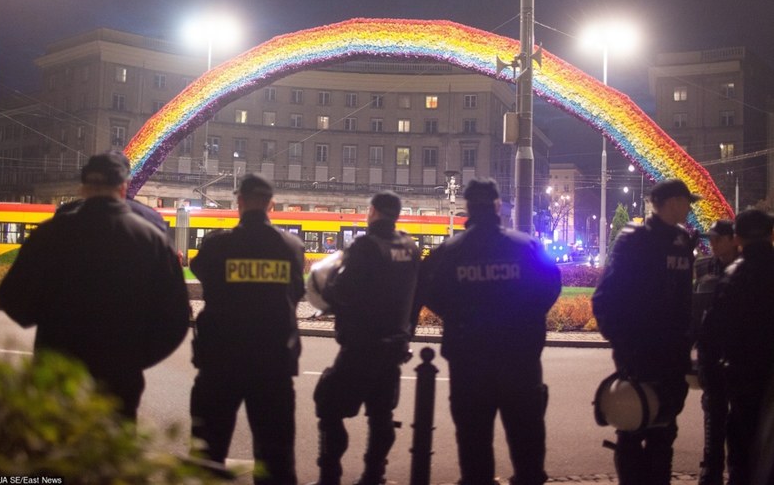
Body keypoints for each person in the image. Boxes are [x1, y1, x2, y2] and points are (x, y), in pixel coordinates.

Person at [0, 151, 190, 421]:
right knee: (111, 451)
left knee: (54, 450)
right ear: (123, 188)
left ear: (83, 187)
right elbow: (176, 318)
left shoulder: (50, 234)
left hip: (57, 368)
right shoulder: (151, 240)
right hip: (119, 374)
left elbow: (11, 297)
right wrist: (134, 358)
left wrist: (46, 324)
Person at [419, 178, 561, 485]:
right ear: (498, 206)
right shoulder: (527, 247)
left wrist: (457, 317)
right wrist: (527, 315)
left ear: (468, 207)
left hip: (469, 361)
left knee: (473, 443)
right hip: (519, 358)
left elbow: (429, 291)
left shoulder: (449, 252)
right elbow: (550, 286)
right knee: (527, 442)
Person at [189, 173, 305, 484]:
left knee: (207, 455)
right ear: (272, 205)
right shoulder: (291, 247)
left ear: (238, 203)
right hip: (274, 365)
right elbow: (296, 293)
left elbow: (202, 274)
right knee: (276, 457)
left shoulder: (217, 246)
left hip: (220, 363)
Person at [592, 178, 700, 485]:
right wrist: (624, 345)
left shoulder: (681, 240)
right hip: (639, 353)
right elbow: (605, 297)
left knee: (664, 431)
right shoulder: (634, 239)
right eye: (686, 201)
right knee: (633, 424)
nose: (689, 208)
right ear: (671, 202)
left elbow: (683, 299)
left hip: (672, 355)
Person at [309, 191, 420, 485]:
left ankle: (329, 476)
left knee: (328, 403)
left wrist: (328, 286)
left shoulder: (365, 246)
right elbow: (416, 295)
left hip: (361, 345)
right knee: (381, 413)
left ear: (372, 211)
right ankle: (374, 475)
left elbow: (341, 291)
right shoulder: (410, 247)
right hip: (394, 345)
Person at [700, 209, 774, 485]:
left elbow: (711, 334)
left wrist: (711, 377)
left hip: (743, 378)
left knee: (742, 450)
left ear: (738, 238)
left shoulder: (733, 277)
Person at [694, 219, 738, 485]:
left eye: (718, 238)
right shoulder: (703, 266)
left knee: (739, 416)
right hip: (710, 350)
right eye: (710, 238)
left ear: (732, 239)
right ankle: (711, 468)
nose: (713, 244)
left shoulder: (746, 268)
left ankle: (737, 467)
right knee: (713, 411)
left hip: (737, 350)